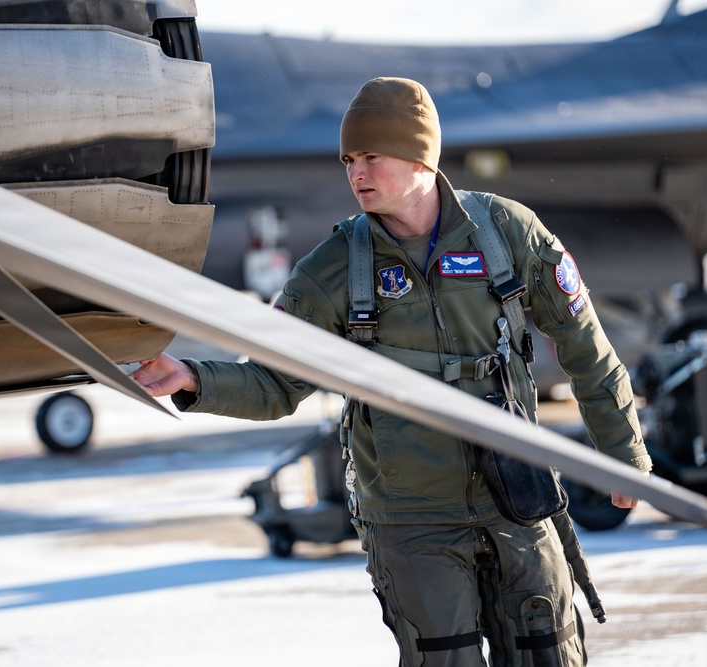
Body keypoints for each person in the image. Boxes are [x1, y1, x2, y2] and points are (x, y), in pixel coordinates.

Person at [130, 77, 652, 666]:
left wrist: (623, 454)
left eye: (371, 156)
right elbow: (276, 383)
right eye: (349, 160)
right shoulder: (332, 270)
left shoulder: (506, 233)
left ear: (419, 156)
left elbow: (586, 347)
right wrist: (193, 377)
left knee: (549, 654)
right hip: (412, 518)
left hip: (517, 497)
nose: (356, 172)